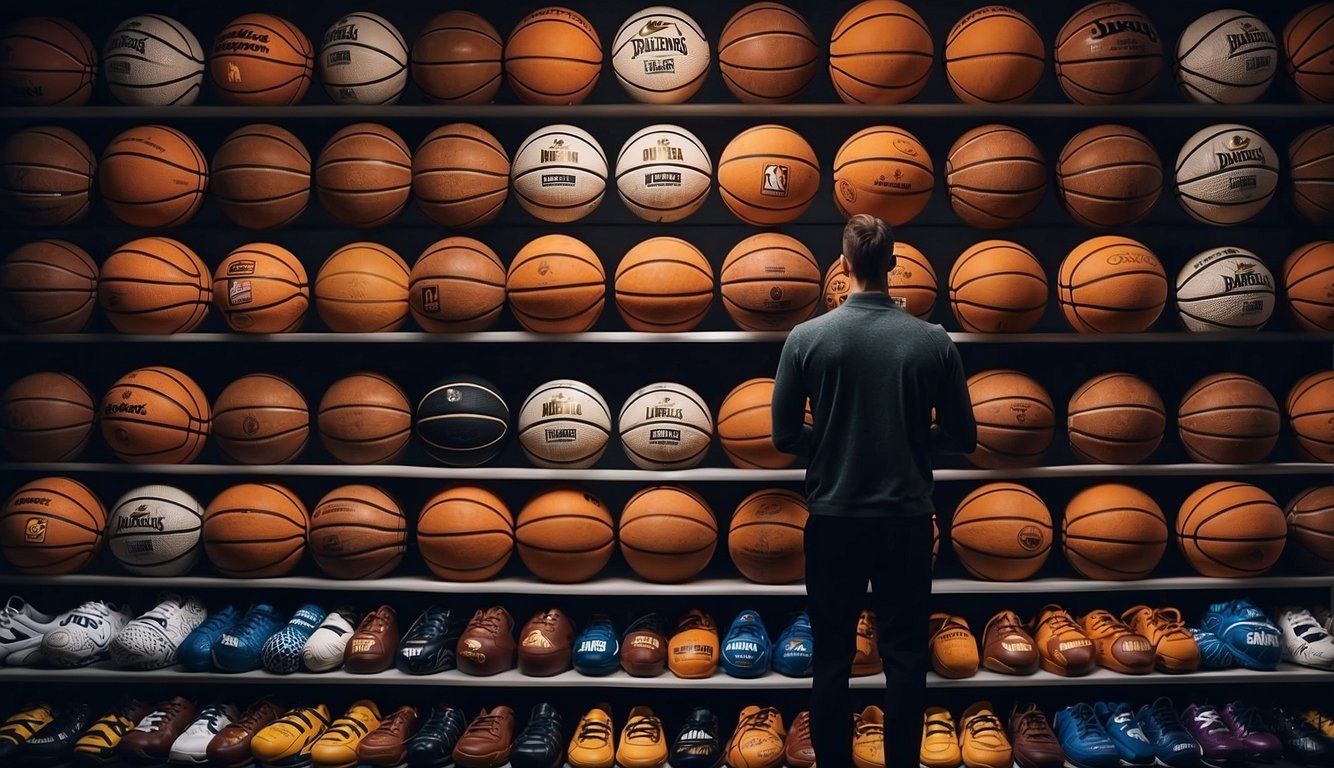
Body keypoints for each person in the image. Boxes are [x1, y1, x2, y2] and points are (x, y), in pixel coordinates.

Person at [772, 213, 976, 768]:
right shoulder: (933, 342)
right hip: (906, 523)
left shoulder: (806, 338)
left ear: (843, 265)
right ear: (893, 265)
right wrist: (907, 439)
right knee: (905, 657)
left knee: (832, 659)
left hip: (833, 522)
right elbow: (964, 436)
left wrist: (834, 438)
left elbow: (785, 435)